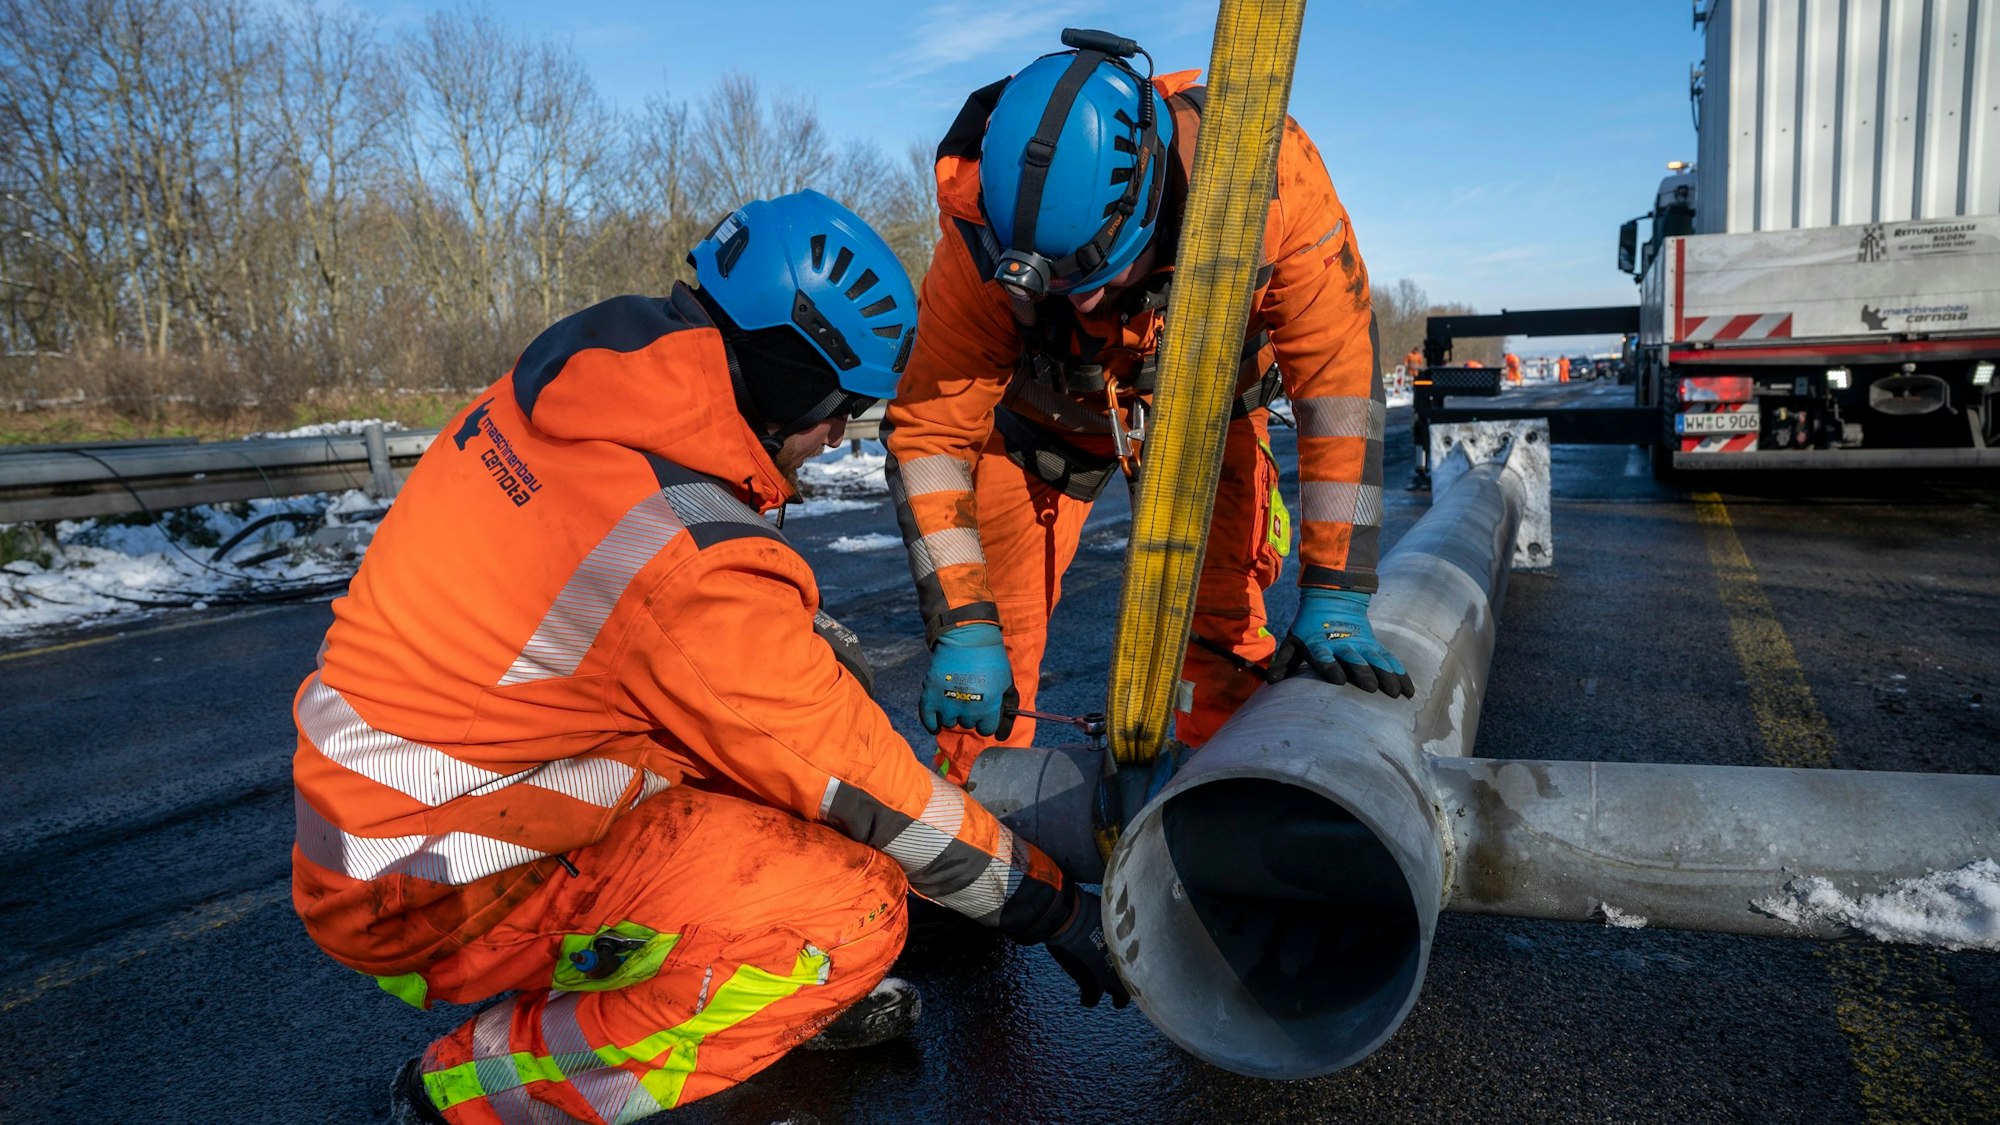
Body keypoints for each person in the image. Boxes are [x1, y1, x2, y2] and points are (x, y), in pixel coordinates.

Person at [290, 190, 1124, 1125]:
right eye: (840, 408)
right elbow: (872, 788)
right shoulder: (681, 556)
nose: (837, 437)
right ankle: (473, 1087)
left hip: (386, 813)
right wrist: (1049, 905)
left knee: (787, 739)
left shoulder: (572, 387)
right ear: (794, 381)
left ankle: (739, 984)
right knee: (852, 910)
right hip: (426, 883)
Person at [883, 28, 1414, 786]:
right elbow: (931, 435)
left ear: (1151, 206)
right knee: (983, 683)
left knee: (1222, 634)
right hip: (1042, 428)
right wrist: (963, 625)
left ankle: (1222, 808)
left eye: (1095, 277)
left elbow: (1339, 391)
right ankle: (977, 822)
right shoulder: (977, 237)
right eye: (1055, 287)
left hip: (1206, 413)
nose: (1082, 303)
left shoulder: (1270, 184)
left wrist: (1336, 589)